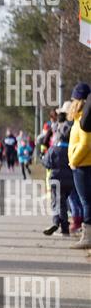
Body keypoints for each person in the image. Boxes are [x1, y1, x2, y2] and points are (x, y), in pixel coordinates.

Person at [68, 83, 91, 249]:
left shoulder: (84, 118)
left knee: (86, 201)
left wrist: (74, 161)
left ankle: (87, 236)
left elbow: (85, 144)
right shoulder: (80, 118)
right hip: (82, 164)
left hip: (83, 165)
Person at [41, 116, 73, 237]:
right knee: (63, 202)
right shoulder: (71, 149)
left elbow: (46, 163)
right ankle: (60, 222)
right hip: (70, 180)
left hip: (56, 179)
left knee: (56, 202)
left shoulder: (53, 149)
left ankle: (60, 224)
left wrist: (42, 158)